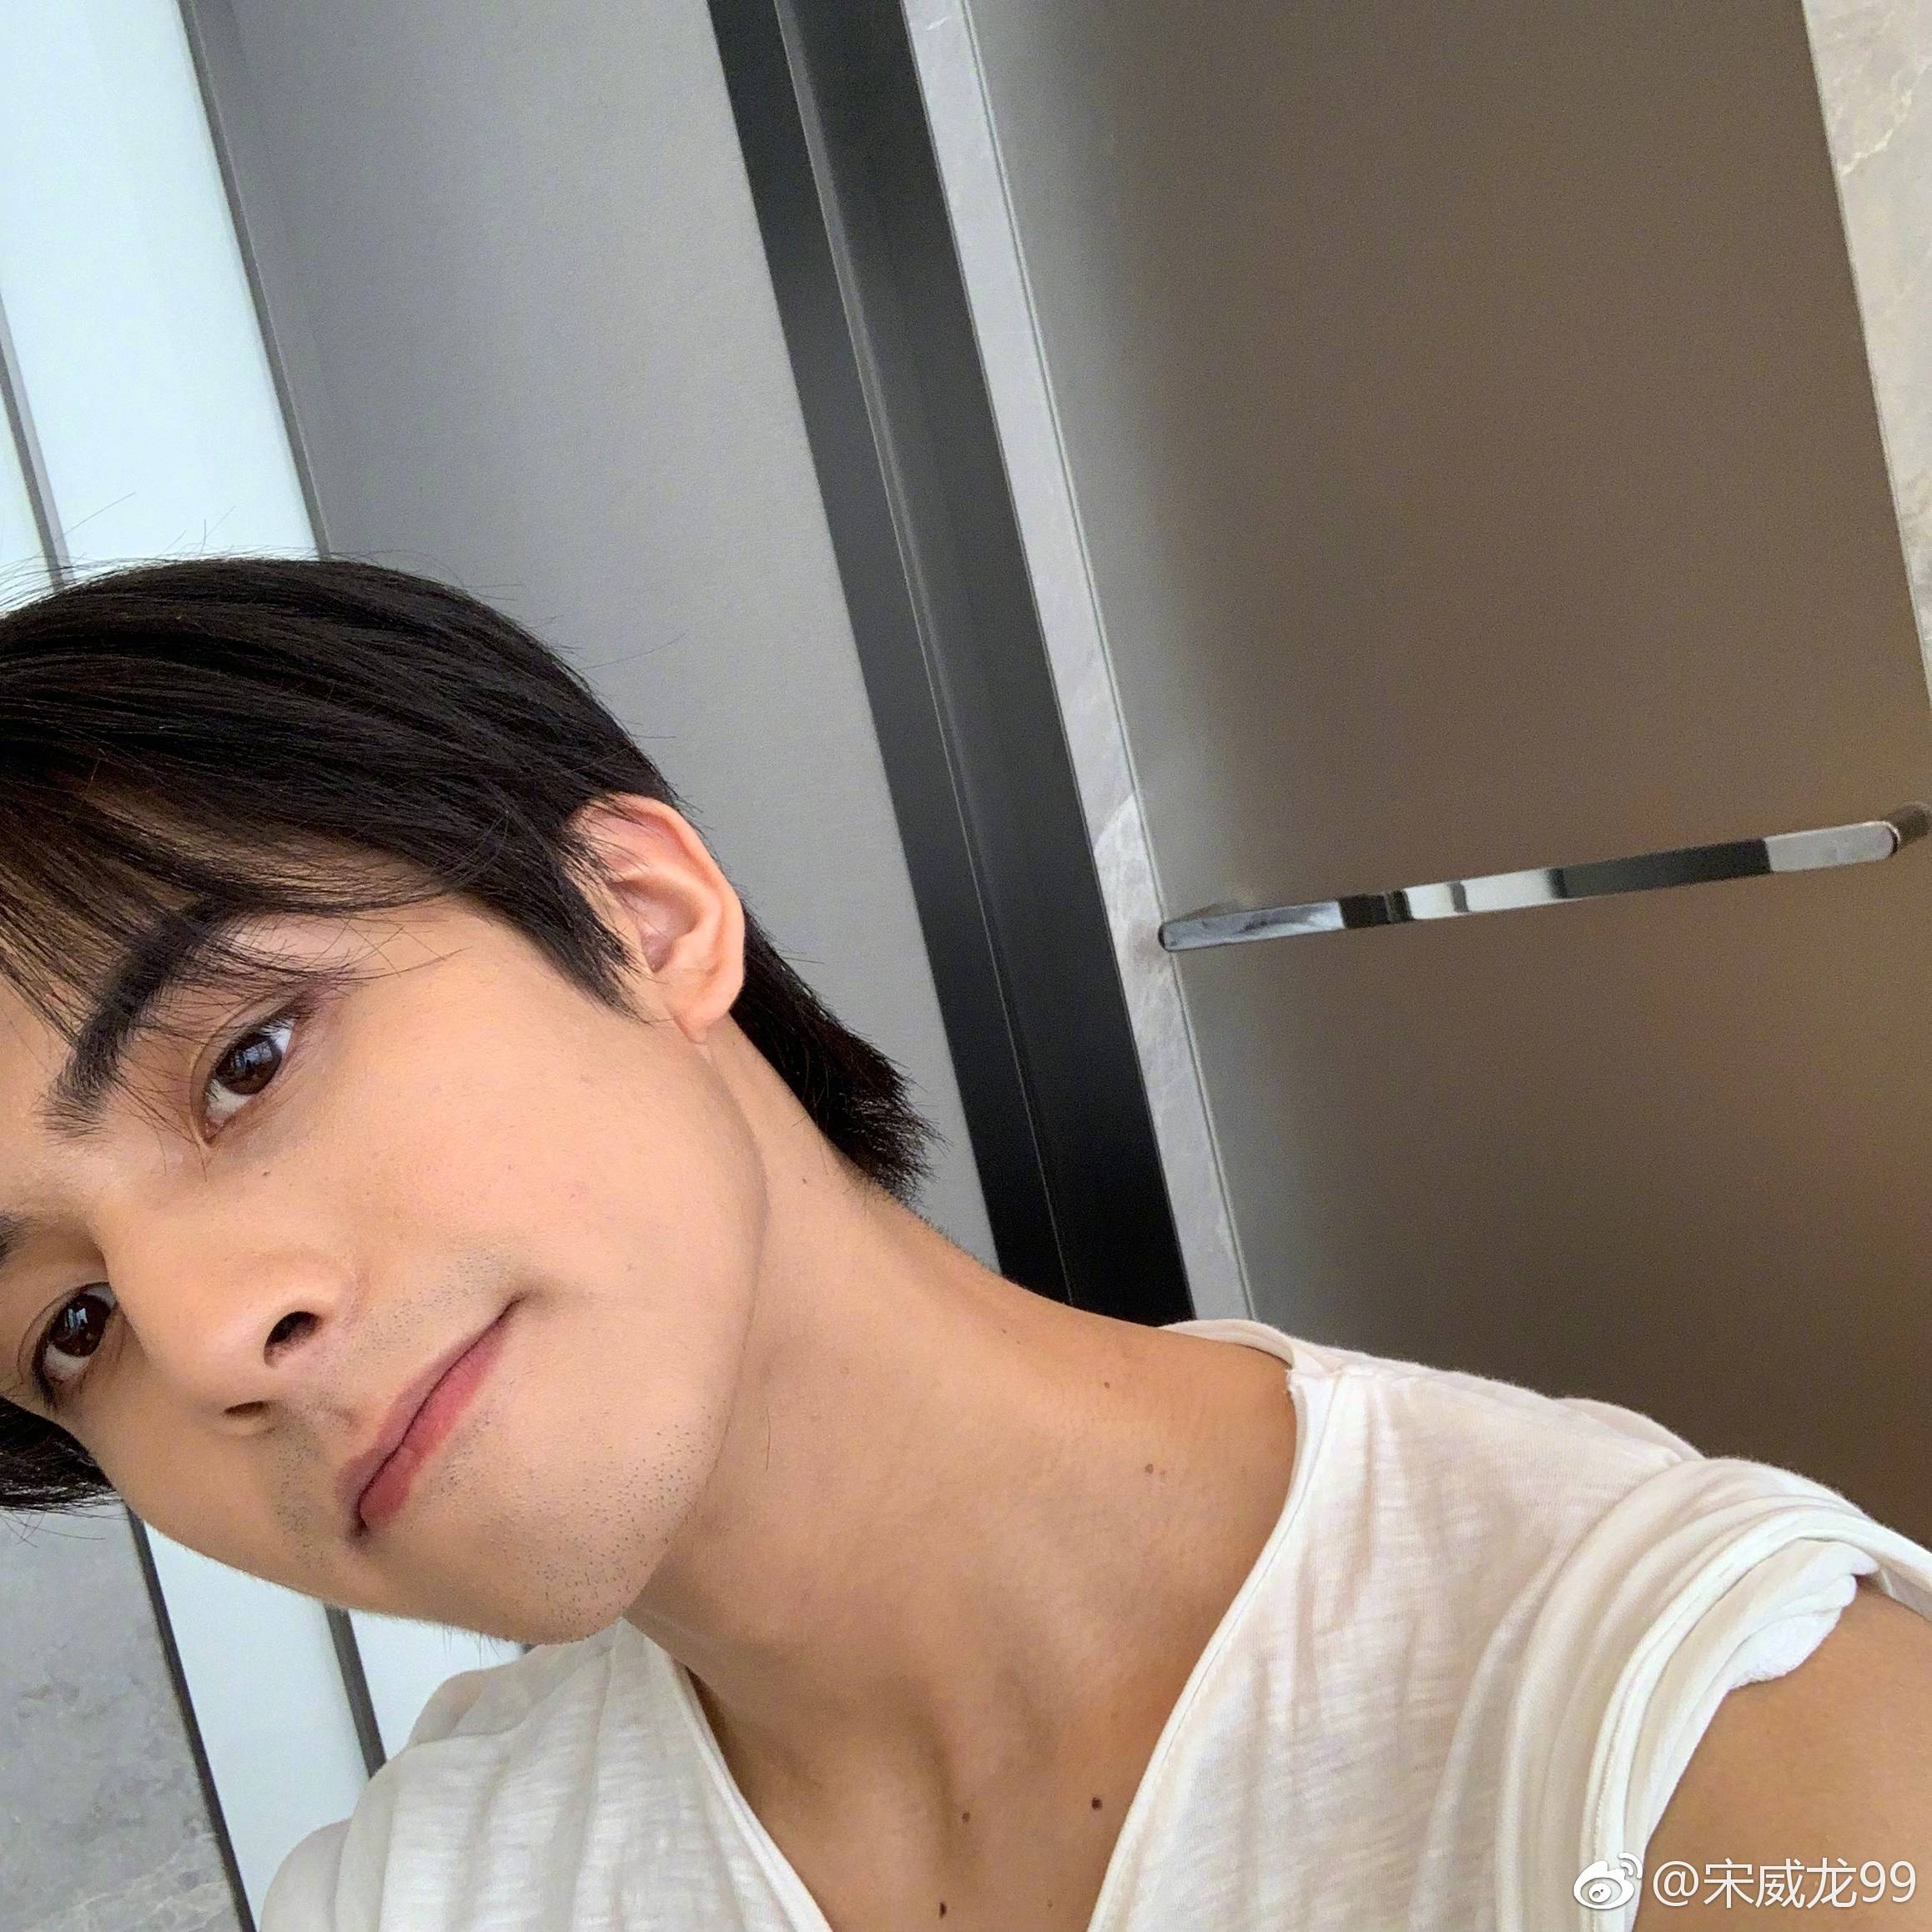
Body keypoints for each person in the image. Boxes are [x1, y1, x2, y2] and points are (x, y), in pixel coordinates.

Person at [0, 556, 1926, 1932]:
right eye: (70, 1325)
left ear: (646, 920)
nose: (207, 1337)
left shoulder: (1706, 1750)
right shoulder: (417, 1896)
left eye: (248, 1061)